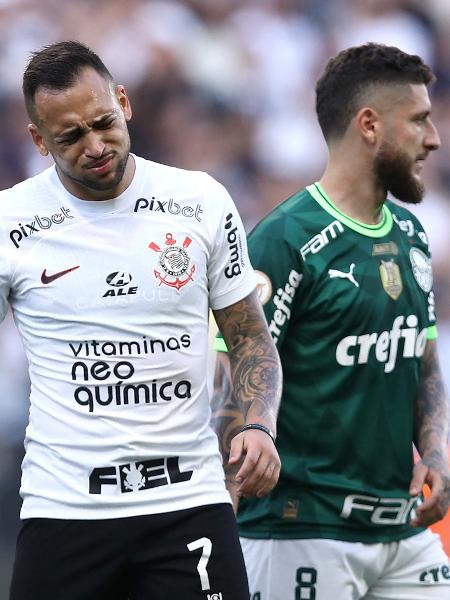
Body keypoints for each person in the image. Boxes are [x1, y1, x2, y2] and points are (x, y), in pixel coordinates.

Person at [0, 40, 282, 600]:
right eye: (70, 137)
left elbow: (249, 336)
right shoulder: (11, 221)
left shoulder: (200, 201)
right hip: (65, 507)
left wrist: (257, 423)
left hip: (187, 504)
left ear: (124, 103)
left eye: (103, 122)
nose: (96, 145)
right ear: (38, 140)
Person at [213, 42, 450, 599]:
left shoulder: (413, 235)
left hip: (403, 529)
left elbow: (424, 361)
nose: (434, 138)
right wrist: (222, 507)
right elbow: (230, 376)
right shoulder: (284, 239)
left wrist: (436, 454)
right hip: (299, 528)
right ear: (370, 125)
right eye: (419, 120)